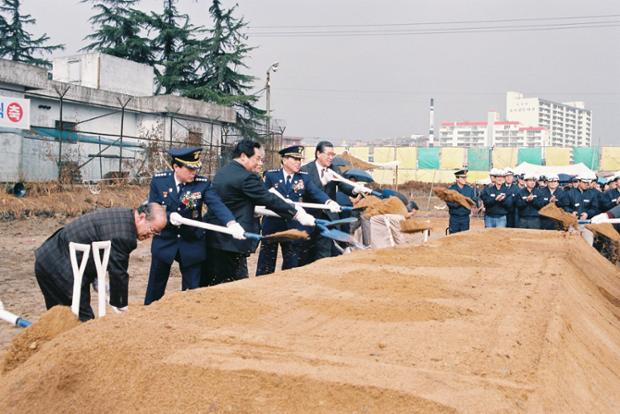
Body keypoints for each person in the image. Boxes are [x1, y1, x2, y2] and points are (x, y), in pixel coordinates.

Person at [203, 139, 315, 286]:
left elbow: (236, 200)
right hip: (231, 242)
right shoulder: (246, 177)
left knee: (215, 283)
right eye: (257, 159)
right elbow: (268, 198)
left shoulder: (224, 171)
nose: (260, 163)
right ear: (243, 156)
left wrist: (252, 209)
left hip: (216, 239)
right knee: (234, 286)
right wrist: (297, 214)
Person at [144, 147, 243, 306]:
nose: (194, 173)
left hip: (191, 241)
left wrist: (231, 223)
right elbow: (152, 207)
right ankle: (147, 316)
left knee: (192, 290)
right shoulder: (159, 181)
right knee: (156, 285)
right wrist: (169, 217)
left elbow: (216, 204)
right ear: (176, 167)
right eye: (190, 169)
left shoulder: (202, 184)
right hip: (165, 240)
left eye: (196, 168)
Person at [35, 203, 166, 321]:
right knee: (78, 318)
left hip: (55, 258)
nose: (150, 236)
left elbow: (94, 238)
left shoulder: (125, 216)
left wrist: (96, 278)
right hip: (58, 265)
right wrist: (121, 305)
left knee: (67, 316)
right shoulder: (125, 235)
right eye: (152, 230)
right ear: (142, 217)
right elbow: (118, 272)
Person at [256, 145, 337, 276]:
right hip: (272, 224)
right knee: (266, 261)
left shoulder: (303, 178)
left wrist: (328, 202)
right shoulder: (271, 176)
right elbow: (263, 196)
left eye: (300, 160)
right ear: (284, 160)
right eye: (294, 159)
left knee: (292, 262)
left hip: (292, 226)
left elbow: (315, 192)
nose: (298, 163)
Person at [300, 140, 359, 265]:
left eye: (333, 155)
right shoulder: (305, 170)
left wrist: (354, 189)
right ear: (318, 154)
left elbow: (343, 184)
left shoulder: (334, 169)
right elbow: (310, 190)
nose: (331, 158)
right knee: (305, 254)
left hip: (328, 217)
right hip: (310, 217)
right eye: (328, 154)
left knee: (324, 253)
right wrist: (323, 183)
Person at [446, 169, 477, 233]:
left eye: (465, 177)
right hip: (454, 218)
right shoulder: (451, 189)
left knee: (464, 238)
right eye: (463, 177)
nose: (465, 179)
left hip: (465, 218)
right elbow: (449, 203)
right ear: (457, 178)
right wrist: (460, 202)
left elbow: (473, 200)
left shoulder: (469, 189)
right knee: (453, 237)